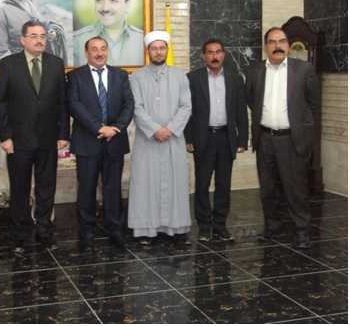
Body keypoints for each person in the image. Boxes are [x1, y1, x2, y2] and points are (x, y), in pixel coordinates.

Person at [0, 20, 70, 253]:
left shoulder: (56, 63)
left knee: (46, 189)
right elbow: (0, 103)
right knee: (20, 190)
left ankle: (45, 233)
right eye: (34, 36)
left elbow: (62, 102)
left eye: (42, 36)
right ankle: (19, 236)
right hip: (18, 141)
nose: (39, 40)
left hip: (48, 138)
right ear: (23, 39)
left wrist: (63, 133)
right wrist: (5, 136)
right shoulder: (8, 64)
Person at [245, 27, 320, 249]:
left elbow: (312, 103)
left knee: (295, 188)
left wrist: (301, 127)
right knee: (267, 188)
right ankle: (272, 226)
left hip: (292, 140)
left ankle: (302, 231)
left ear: (287, 45)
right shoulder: (255, 71)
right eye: (272, 42)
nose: (277, 46)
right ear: (265, 47)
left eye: (282, 41)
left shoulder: (303, 69)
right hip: (265, 138)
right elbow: (251, 99)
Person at [66, 36, 135, 251]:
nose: (99, 53)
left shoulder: (120, 75)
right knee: (86, 190)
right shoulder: (75, 76)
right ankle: (87, 233)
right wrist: (99, 128)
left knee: (113, 189)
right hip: (87, 141)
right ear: (86, 53)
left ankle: (116, 230)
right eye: (94, 49)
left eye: (103, 48)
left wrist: (116, 128)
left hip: (115, 141)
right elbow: (74, 105)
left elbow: (129, 104)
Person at [128, 31, 192, 245]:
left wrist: (170, 129)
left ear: (167, 50)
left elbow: (186, 106)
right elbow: (135, 107)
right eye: (154, 48)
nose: (158, 52)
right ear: (148, 51)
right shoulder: (137, 77)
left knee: (175, 184)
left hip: (173, 139)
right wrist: (155, 129)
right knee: (145, 184)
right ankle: (146, 230)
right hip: (147, 141)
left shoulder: (180, 76)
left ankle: (177, 228)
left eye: (161, 48)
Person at [184, 39, 248, 242]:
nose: (214, 56)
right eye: (210, 52)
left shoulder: (235, 79)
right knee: (202, 185)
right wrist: (188, 137)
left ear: (224, 55)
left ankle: (220, 225)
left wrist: (242, 139)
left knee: (224, 185)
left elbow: (241, 111)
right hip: (203, 138)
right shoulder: (193, 79)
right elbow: (186, 111)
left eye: (218, 52)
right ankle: (204, 227)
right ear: (204, 56)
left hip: (226, 138)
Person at [73, 0, 144, 67]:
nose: (105, 8)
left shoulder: (142, 39)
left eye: (113, 0)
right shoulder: (77, 40)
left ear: (127, 5)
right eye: (99, 0)